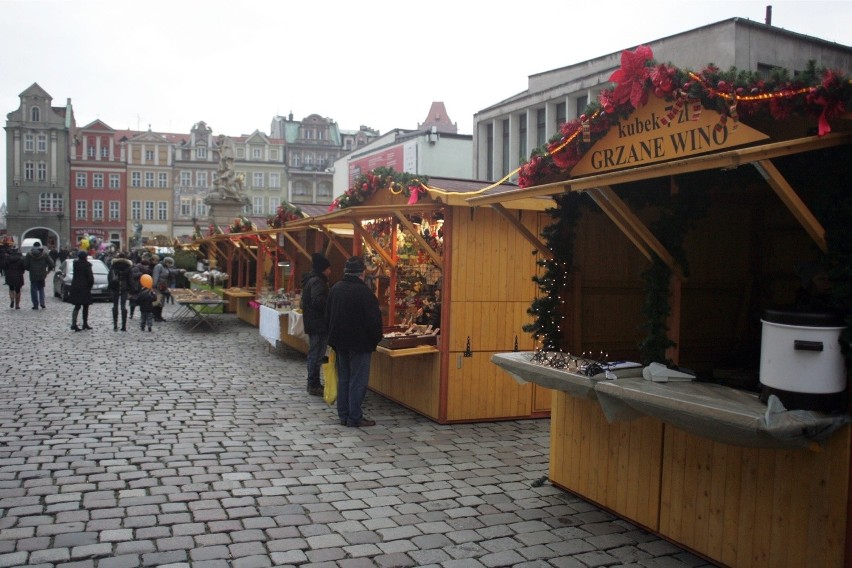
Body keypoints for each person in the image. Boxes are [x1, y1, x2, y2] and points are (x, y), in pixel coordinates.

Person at [326, 255, 383, 427]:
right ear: (362, 273)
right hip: (360, 343)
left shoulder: (336, 288)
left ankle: (343, 415)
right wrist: (375, 339)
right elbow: (374, 321)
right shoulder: (365, 293)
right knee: (357, 381)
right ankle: (355, 416)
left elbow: (327, 315)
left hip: (340, 342)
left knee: (344, 378)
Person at [301, 252, 332, 397]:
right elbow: (318, 301)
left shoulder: (312, 280)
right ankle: (313, 384)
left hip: (314, 322)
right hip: (318, 323)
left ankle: (313, 383)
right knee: (317, 354)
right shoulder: (318, 282)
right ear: (323, 269)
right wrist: (330, 304)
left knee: (316, 354)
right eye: (328, 268)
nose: (330, 271)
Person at [22, 241, 54, 310]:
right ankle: (42, 303)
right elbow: (51, 263)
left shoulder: (29, 254)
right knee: (41, 289)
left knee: (33, 290)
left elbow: (25, 265)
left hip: (33, 275)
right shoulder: (44, 254)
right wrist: (48, 270)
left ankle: (35, 305)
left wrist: (30, 269)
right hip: (42, 274)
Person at [108, 252, 134, 331]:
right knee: (123, 306)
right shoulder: (128, 267)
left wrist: (110, 286)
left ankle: (115, 325)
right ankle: (123, 326)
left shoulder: (114, 266)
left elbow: (109, 277)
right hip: (124, 287)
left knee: (115, 305)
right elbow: (130, 279)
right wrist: (132, 289)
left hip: (115, 287)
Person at [68, 250, 94, 331]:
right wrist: (90, 286)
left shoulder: (75, 264)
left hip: (76, 287)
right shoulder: (87, 265)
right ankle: (85, 323)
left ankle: (73, 323)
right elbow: (90, 278)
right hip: (85, 287)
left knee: (77, 306)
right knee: (85, 306)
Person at [128, 253, 153, 319]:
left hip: (144, 287)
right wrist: (141, 274)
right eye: (146, 266)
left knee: (144, 302)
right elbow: (132, 275)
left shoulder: (148, 270)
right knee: (133, 302)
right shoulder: (136, 268)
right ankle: (131, 314)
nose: (147, 267)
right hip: (136, 287)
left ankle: (143, 314)